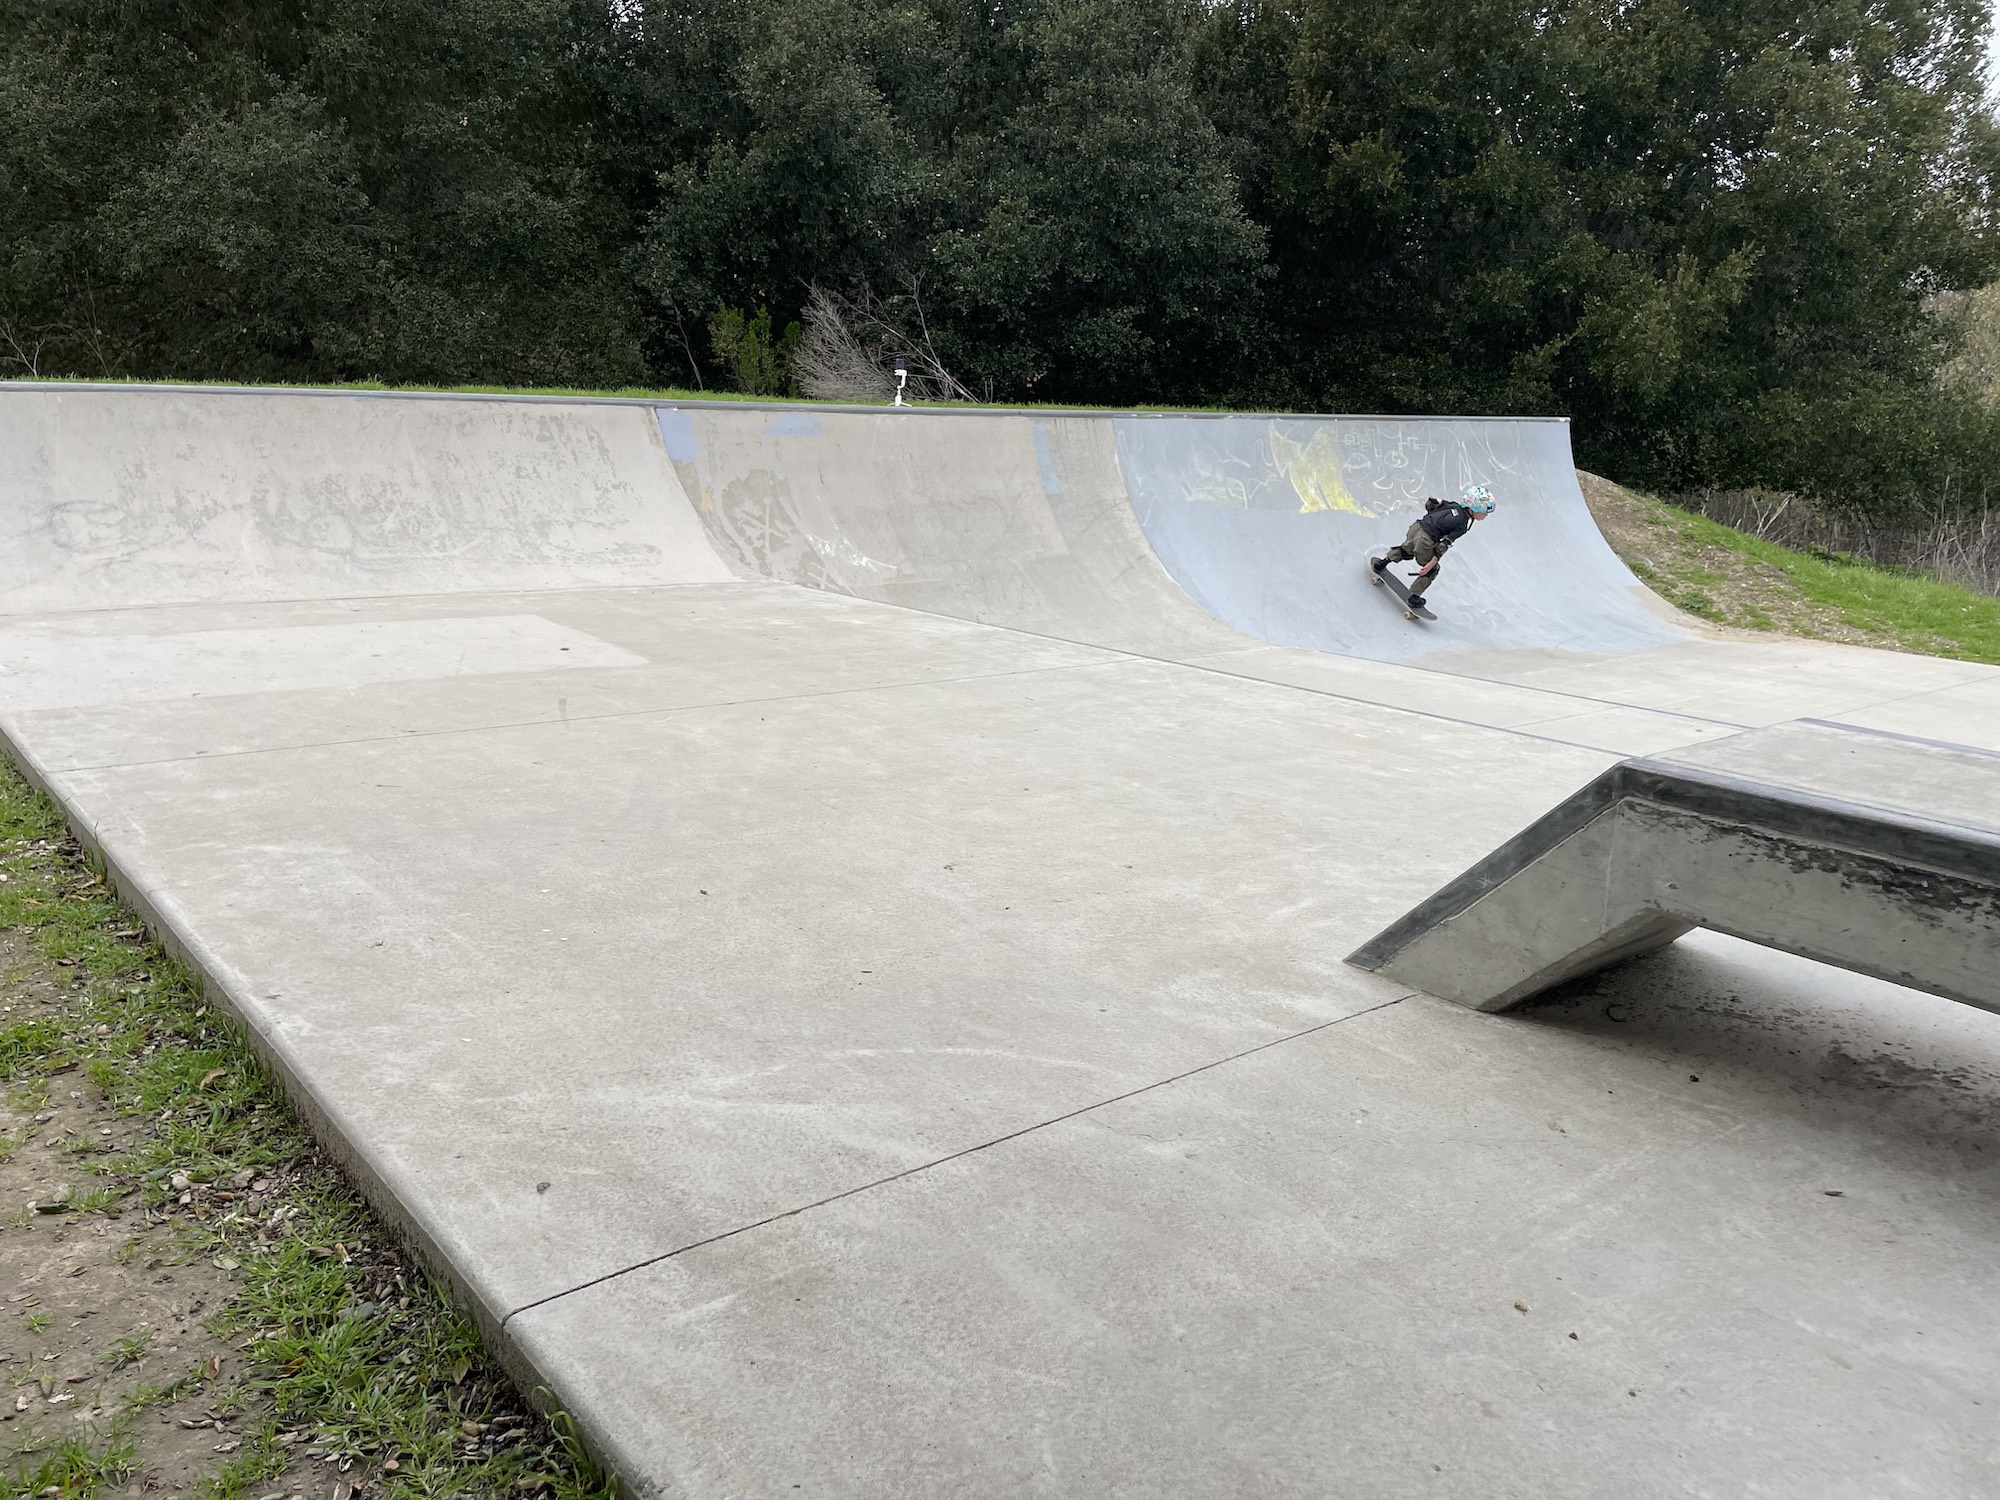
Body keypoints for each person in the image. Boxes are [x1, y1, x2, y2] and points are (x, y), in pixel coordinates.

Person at [1370, 484, 1496, 608]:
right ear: (1475, 508)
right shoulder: (1462, 525)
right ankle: (1414, 597)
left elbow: (1433, 503)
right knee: (1432, 570)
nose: (1485, 515)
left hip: (1416, 527)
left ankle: (1380, 564)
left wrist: (1435, 501)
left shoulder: (1454, 505)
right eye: (1485, 512)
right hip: (1426, 540)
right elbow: (1443, 545)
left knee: (1406, 550)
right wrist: (1432, 562)